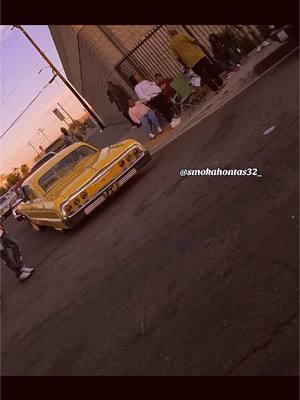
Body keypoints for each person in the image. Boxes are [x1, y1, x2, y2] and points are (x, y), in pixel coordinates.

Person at [167, 26, 225, 94]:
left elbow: (178, 57)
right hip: (198, 56)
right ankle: (220, 83)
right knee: (210, 70)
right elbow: (195, 42)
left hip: (190, 62)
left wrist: (184, 65)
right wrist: (203, 48)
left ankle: (215, 89)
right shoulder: (182, 35)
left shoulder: (171, 45)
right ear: (174, 31)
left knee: (203, 75)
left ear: (170, 34)